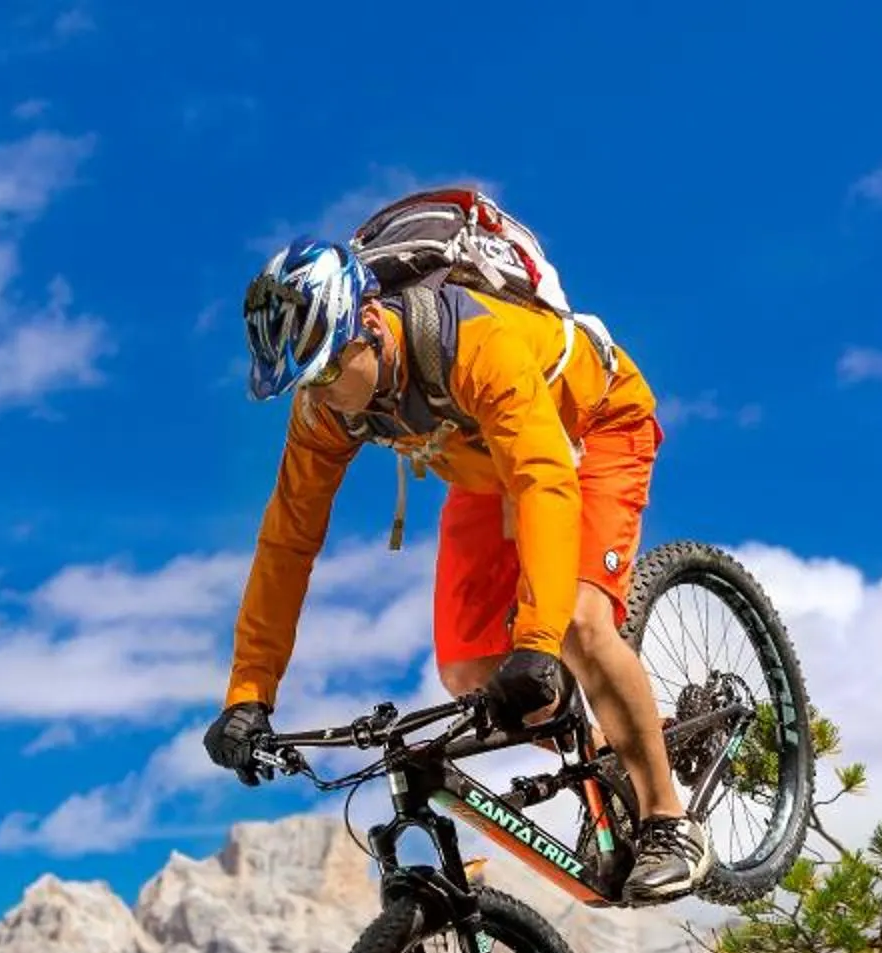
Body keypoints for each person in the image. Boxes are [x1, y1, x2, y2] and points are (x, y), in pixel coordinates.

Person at [202, 236, 712, 903]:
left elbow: (544, 481)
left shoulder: (473, 342)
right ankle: (618, 750)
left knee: (578, 627)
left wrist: (536, 641)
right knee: (472, 673)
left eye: (327, 371)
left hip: (590, 432)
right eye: (305, 382)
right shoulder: (323, 411)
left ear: (367, 325)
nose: (321, 396)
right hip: (484, 468)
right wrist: (248, 696)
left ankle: (668, 820)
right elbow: (286, 545)